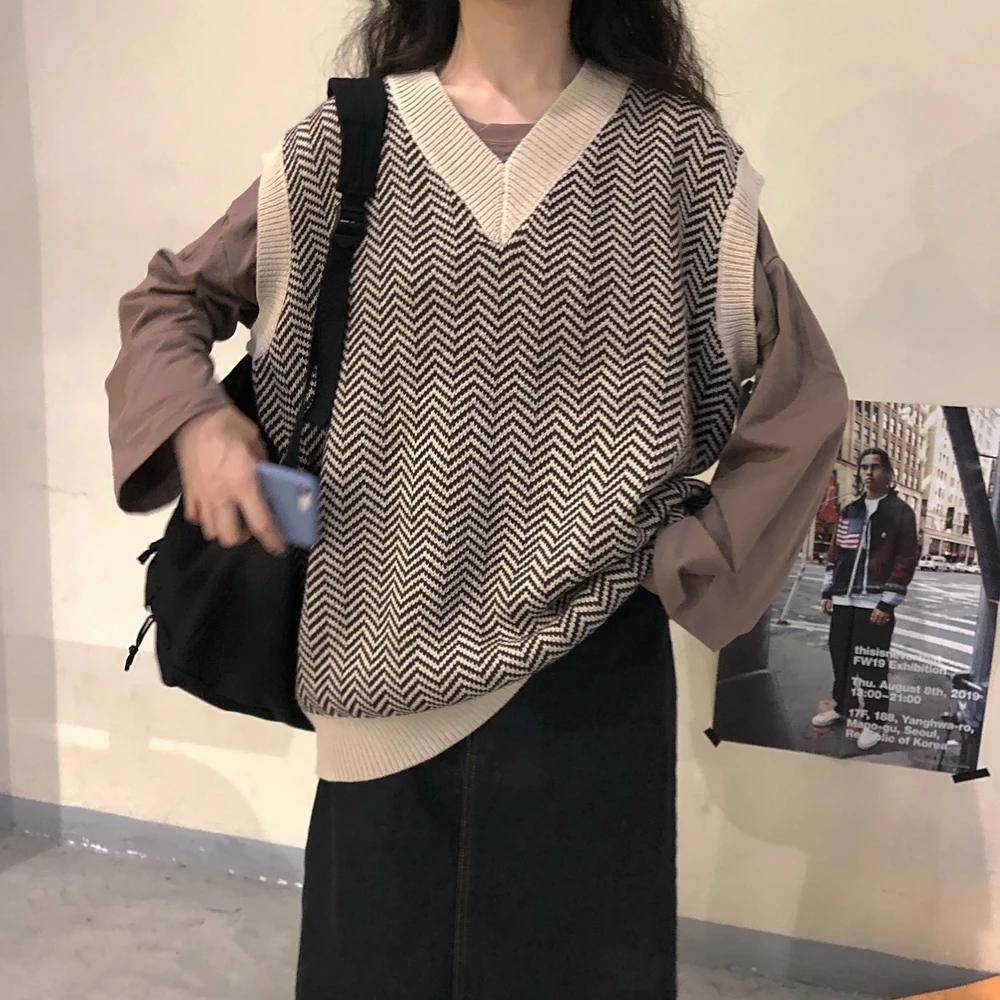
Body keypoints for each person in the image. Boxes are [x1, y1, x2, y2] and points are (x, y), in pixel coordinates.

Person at [105, 1, 848, 996]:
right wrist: (197, 425)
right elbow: (169, 301)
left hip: (590, 688)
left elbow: (803, 397)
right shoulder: (345, 144)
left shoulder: (683, 162)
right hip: (376, 682)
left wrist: (692, 557)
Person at [813, 448, 919, 751]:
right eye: (864, 467)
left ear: (888, 473)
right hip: (844, 601)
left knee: (872, 665)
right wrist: (829, 592)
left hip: (874, 604)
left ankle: (874, 721)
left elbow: (906, 559)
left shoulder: (900, 512)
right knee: (841, 659)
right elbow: (836, 553)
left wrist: (887, 603)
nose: (869, 473)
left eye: (876, 467)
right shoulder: (851, 510)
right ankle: (843, 707)